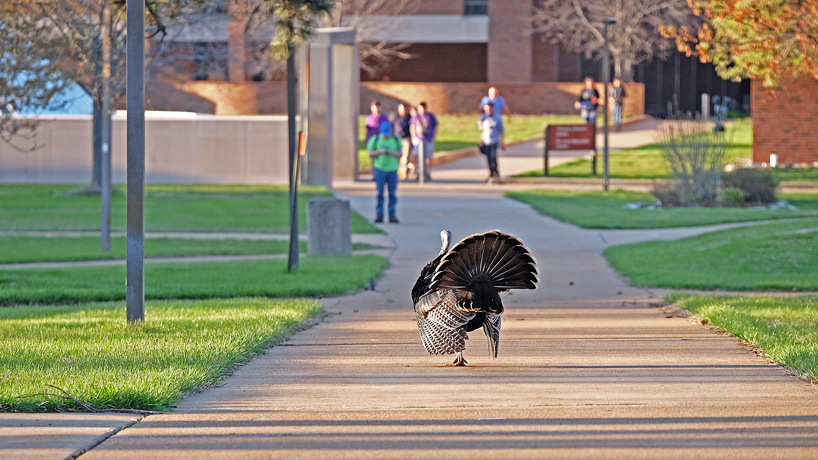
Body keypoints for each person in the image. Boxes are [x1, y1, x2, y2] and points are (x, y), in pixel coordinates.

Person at [366, 121, 402, 223]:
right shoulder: (376, 139)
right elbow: (370, 153)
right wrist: (380, 151)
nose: (386, 135)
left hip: (392, 170)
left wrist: (391, 152)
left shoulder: (395, 139)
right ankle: (379, 214)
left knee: (392, 194)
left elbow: (400, 153)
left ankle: (392, 215)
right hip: (379, 169)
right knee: (380, 194)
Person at [477, 102, 505, 184]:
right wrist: (484, 126)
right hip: (486, 141)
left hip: (494, 140)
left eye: (490, 109)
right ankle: (492, 172)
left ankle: (495, 173)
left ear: (492, 108)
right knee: (488, 157)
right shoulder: (483, 117)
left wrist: (502, 141)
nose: (488, 111)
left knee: (493, 157)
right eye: (486, 109)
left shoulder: (497, 118)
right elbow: (479, 127)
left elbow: (501, 130)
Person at [411, 102, 438, 181]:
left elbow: (435, 126)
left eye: (423, 108)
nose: (422, 110)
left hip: (428, 139)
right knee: (417, 156)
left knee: (428, 157)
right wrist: (413, 137)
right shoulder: (416, 116)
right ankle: (418, 171)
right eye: (420, 108)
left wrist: (433, 137)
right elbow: (412, 126)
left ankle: (427, 172)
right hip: (419, 139)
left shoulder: (430, 116)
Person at [393, 103, 412, 180]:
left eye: (404, 109)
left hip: (406, 139)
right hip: (397, 139)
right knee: (397, 155)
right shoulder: (395, 117)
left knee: (405, 156)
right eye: (401, 109)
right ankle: (398, 171)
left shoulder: (410, 118)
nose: (403, 111)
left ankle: (404, 171)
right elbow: (392, 127)